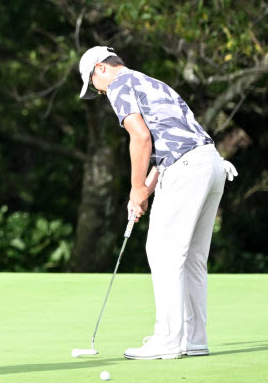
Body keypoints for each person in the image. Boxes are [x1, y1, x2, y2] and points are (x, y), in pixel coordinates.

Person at [78, 46, 237, 359]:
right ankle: (194, 339)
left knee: (163, 252)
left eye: (95, 84)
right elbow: (169, 146)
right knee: (191, 256)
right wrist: (144, 192)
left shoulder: (119, 85)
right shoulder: (152, 83)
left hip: (187, 169)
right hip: (211, 164)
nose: (99, 91)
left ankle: (167, 340)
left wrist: (136, 187)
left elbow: (141, 139)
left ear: (100, 68)